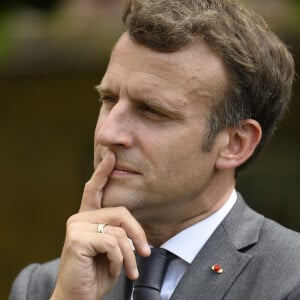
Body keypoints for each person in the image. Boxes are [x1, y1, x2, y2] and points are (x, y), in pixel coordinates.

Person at [9, 0, 300, 299]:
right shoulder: (44, 287)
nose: (108, 133)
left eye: (152, 111)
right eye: (109, 100)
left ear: (235, 144)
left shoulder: (290, 280)